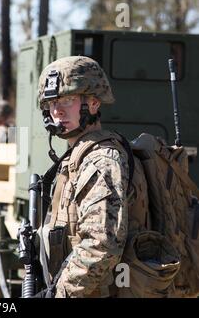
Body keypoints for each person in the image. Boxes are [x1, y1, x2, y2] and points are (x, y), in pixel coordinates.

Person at [37, 56, 130, 298]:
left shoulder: (101, 160)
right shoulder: (77, 155)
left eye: (68, 100)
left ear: (94, 103)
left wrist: (58, 294)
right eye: (51, 102)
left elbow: (102, 245)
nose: (57, 110)